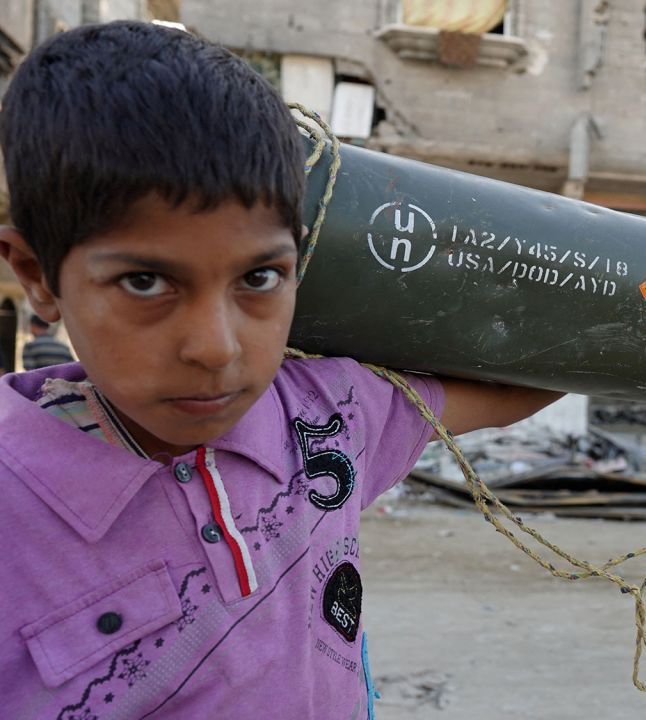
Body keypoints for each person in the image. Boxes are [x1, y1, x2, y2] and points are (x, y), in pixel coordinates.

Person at [0, 21, 560, 718]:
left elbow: (528, 377)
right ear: (37, 277)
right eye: (146, 282)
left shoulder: (327, 419)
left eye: (259, 276)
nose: (216, 348)